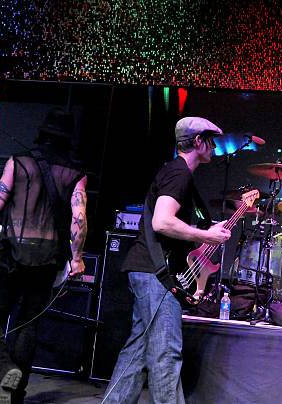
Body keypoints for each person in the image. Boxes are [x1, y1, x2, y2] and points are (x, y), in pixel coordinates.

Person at [104, 117, 232, 403]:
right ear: (198, 142)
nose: (214, 147)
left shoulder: (176, 172)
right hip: (154, 273)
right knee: (166, 352)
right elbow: (162, 222)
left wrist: (205, 232)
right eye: (211, 140)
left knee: (137, 351)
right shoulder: (180, 174)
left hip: (146, 269)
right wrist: (207, 236)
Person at [0, 108, 88, 404]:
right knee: (28, 325)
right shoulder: (76, 174)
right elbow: (79, 218)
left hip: (13, 252)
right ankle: (15, 394)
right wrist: (76, 258)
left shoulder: (18, 162)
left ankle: (2, 371)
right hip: (47, 259)